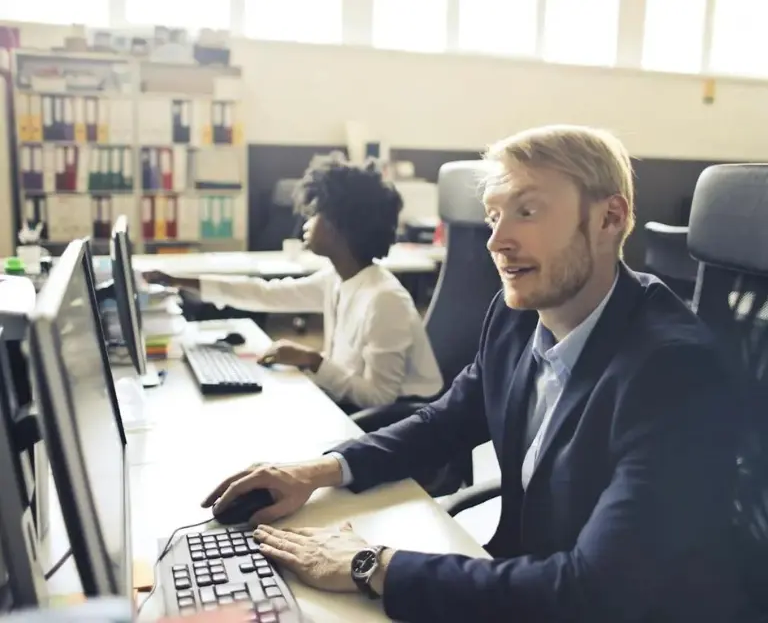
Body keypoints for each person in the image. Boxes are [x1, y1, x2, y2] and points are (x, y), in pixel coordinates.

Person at [200, 126, 748, 622]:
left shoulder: (674, 370)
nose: (496, 240)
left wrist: (372, 564)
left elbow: (595, 591)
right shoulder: (515, 316)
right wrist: (315, 472)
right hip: (517, 587)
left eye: (527, 212)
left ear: (609, 219)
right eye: (493, 215)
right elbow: (447, 421)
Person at [144, 153, 442, 411]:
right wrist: (179, 280)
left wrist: (312, 360)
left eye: (316, 214)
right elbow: (265, 293)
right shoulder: (338, 279)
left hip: (395, 425)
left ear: (340, 226)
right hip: (350, 405)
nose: (306, 223)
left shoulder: (384, 300)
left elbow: (380, 399)